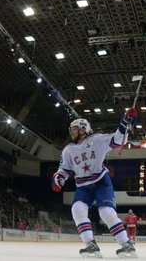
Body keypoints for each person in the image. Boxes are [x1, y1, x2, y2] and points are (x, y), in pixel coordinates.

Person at [51, 110, 138, 258]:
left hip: (101, 182)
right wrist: (59, 178)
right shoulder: (68, 150)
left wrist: (125, 123)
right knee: (77, 210)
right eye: (71, 130)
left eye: (75, 129)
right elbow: (64, 169)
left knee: (106, 212)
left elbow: (118, 141)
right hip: (83, 186)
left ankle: (126, 244)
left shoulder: (97, 140)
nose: (72, 132)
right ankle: (90, 245)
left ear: (84, 129)